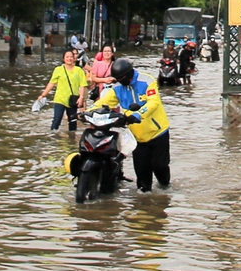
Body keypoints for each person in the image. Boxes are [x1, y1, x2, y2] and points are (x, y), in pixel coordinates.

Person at [92, 57, 171, 192]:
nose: (120, 81)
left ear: (128, 75)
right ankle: (144, 202)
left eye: (121, 78)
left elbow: (153, 102)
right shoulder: (117, 87)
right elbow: (103, 103)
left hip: (157, 132)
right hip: (137, 137)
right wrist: (87, 112)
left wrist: (137, 115)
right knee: (141, 173)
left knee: (160, 167)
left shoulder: (147, 81)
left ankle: (165, 191)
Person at [41, 46, 88, 134]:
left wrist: (81, 97)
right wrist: (43, 95)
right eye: (67, 57)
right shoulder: (58, 70)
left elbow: (82, 85)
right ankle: (53, 136)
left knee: (72, 121)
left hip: (72, 100)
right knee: (57, 119)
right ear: (63, 59)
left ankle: (72, 139)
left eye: (71, 56)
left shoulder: (79, 70)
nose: (69, 58)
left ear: (74, 58)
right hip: (60, 99)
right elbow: (51, 83)